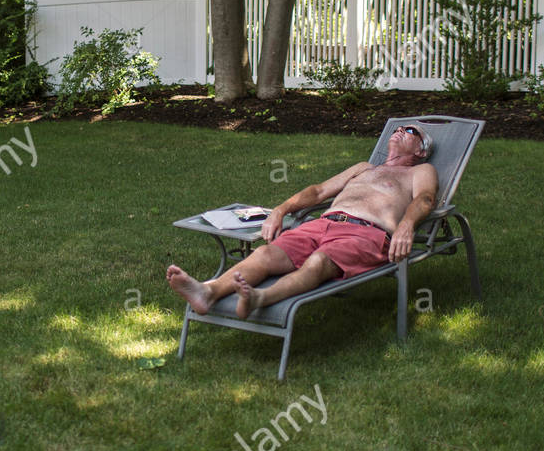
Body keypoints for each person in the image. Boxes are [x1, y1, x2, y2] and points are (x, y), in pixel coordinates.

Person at [167, 124, 438, 319]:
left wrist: (407, 225)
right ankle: (207, 292)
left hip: (366, 233)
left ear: (421, 151)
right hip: (323, 222)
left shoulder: (420, 171)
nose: (401, 130)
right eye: (399, 127)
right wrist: (280, 210)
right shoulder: (363, 168)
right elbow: (318, 192)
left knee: (319, 262)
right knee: (266, 253)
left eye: (411, 131)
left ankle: (260, 298)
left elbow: (426, 199)